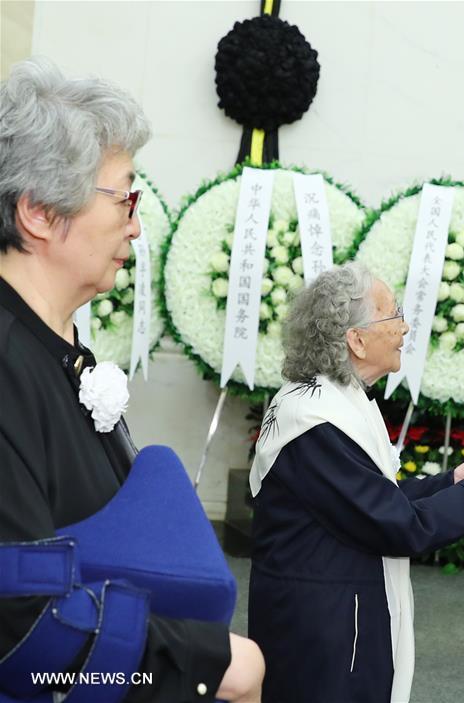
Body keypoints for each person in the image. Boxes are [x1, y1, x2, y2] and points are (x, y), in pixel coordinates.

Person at [0, 57, 263, 702]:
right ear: (37, 212)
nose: (138, 225)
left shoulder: (57, 348)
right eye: (126, 198)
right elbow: (20, 627)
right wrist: (205, 664)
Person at [248, 262, 464, 703]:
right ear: (356, 340)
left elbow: (377, 497)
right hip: (323, 634)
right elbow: (397, 524)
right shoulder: (315, 421)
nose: (405, 326)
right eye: (393, 315)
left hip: (338, 619)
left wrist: (454, 479)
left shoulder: (338, 398)